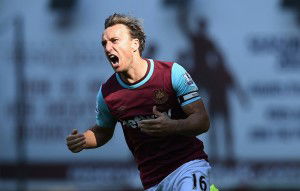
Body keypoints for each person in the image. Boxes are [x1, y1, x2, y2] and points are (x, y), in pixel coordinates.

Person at [66, 13, 211, 191]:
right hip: (152, 180)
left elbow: (202, 121)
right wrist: (83, 140)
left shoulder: (172, 73)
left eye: (114, 40)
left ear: (135, 44)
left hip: (187, 166)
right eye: (104, 43)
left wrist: (172, 126)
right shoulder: (107, 93)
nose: (108, 48)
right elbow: (103, 131)